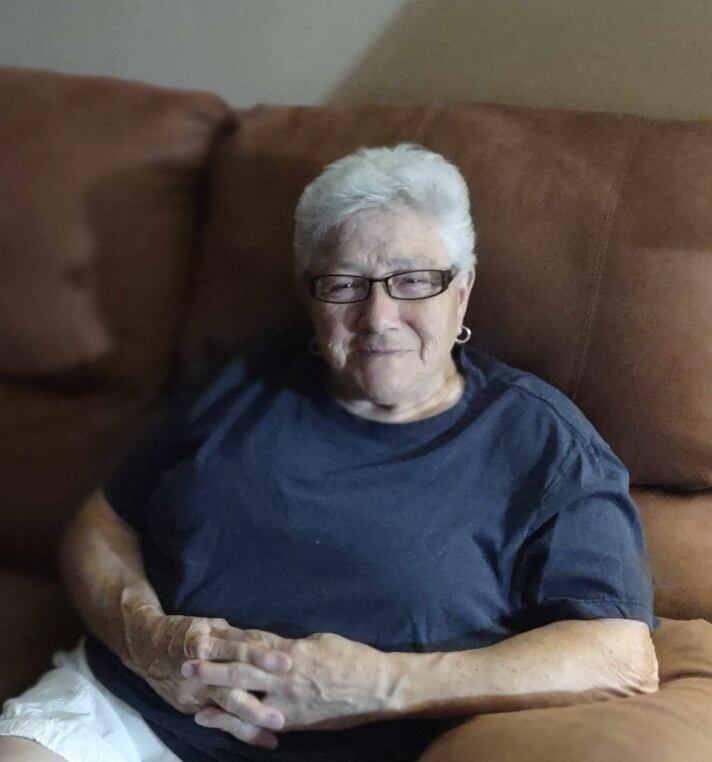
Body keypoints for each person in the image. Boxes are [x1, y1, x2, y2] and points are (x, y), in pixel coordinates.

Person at [0, 144, 659, 762]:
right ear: (310, 299)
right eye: (345, 285)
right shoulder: (242, 381)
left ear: (462, 289)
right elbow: (103, 522)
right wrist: (148, 641)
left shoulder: (539, 441)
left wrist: (381, 683)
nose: (377, 318)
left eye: (412, 281)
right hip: (130, 713)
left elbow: (619, 655)